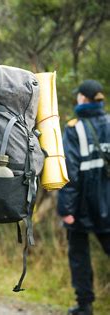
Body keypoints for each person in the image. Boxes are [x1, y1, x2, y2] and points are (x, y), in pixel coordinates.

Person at [57, 79, 110, 315]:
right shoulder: (109, 122)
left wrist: (66, 210)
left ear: (83, 99)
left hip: (82, 204)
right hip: (108, 199)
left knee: (79, 255)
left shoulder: (74, 128)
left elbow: (71, 172)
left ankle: (85, 305)